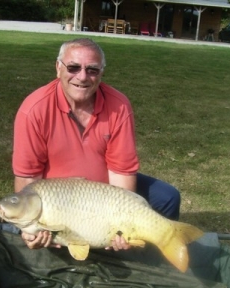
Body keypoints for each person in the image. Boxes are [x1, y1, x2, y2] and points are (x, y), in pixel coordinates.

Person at [12, 38, 180, 251]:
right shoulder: (33, 110)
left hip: (104, 192)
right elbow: (28, 178)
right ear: (58, 68)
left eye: (92, 70)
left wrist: (120, 225)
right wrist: (29, 229)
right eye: (73, 67)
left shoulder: (118, 106)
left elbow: (122, 171)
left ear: (101, 73)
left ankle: (154, 252)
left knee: (168, 198)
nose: (82, 77)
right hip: (58, 199)